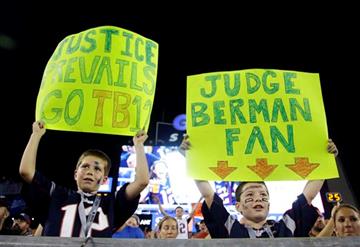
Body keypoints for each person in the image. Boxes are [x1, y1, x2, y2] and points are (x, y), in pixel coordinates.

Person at [180, 135, 339, 238]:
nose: (258, 199)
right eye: (250, 196)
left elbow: (309, 195)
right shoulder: (229, 229)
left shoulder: (287, 226)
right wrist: (192, 159)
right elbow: (208, 195)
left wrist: (326, 160)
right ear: (238, 206)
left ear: (269, 204)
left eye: (263, 196)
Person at [19, 121, 149, 237]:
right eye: (85, 166)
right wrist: (35, 135)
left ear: (104, 180)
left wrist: (138, 145)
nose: (90, 172)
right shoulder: (57, 194)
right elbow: (26, 171)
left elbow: (142, 181)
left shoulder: (111, 203)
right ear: (76, 174)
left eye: (97, 169)